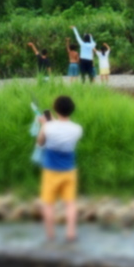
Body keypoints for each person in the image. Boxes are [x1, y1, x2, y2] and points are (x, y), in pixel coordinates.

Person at [37, 95, 83, 242]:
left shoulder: (48, 127)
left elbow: (40, 143)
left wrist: (44, 124)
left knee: (48, 204)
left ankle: (50, 235)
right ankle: (71, 233)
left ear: (55, 109)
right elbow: (63, 128)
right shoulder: (77, 129)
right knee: (70, 203)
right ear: (71, 110)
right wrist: (51, 123)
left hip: (51, 171)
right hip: (69, 171)